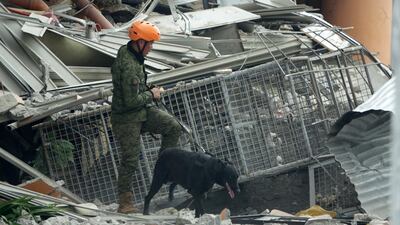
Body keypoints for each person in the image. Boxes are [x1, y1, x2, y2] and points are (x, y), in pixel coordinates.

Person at [111, 20, 182, 214]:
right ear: (139, 42)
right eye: (149, 43)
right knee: (130, 160)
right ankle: (125, 203)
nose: (151, 47)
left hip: (141, 111)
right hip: (126, 118)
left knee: (173, 126)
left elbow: (135, 92)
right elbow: (130, 102)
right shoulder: (129, 66)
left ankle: (164, 167)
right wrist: (152, 94)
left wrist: (147, 89)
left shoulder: (130, 53)